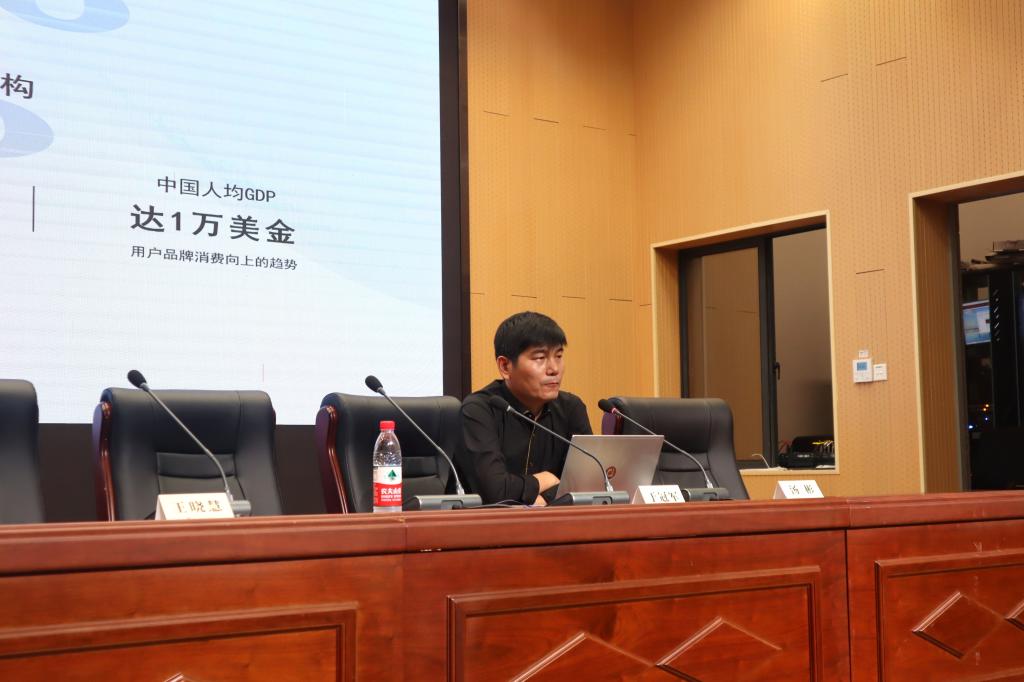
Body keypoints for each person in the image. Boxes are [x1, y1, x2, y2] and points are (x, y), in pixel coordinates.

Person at [458, 311, 592, 505]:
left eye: (559, 356)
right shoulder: (478, 410)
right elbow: (494, 490)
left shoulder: (571, 408)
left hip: (557, 521)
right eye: (540, 358)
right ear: (505, 366)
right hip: (486, 523)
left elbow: (587, 482)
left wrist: (542, 500)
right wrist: (545, 479)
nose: (554, 369)